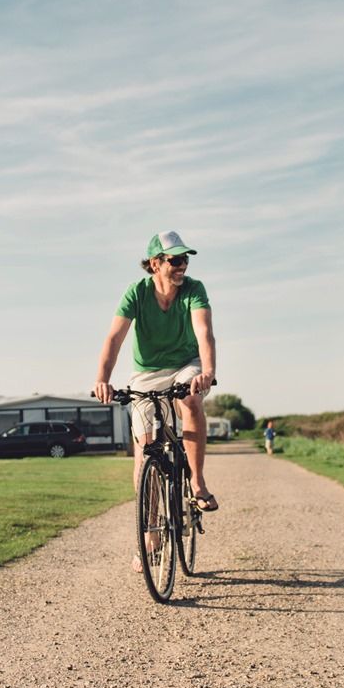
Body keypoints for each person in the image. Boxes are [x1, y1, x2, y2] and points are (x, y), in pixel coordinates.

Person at [93, 231, 219, 571]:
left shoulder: (194, 289)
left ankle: (197, 482)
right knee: (144, 449)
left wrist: (207, 371)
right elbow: (114, 338)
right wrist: (103, 379)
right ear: (154, 264)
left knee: (191, 401)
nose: (183, 266)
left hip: (186, 365)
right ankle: (148, 533)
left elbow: (204, 331)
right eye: (175, 260)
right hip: (147, 372)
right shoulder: (136, 293)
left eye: (185, 260)